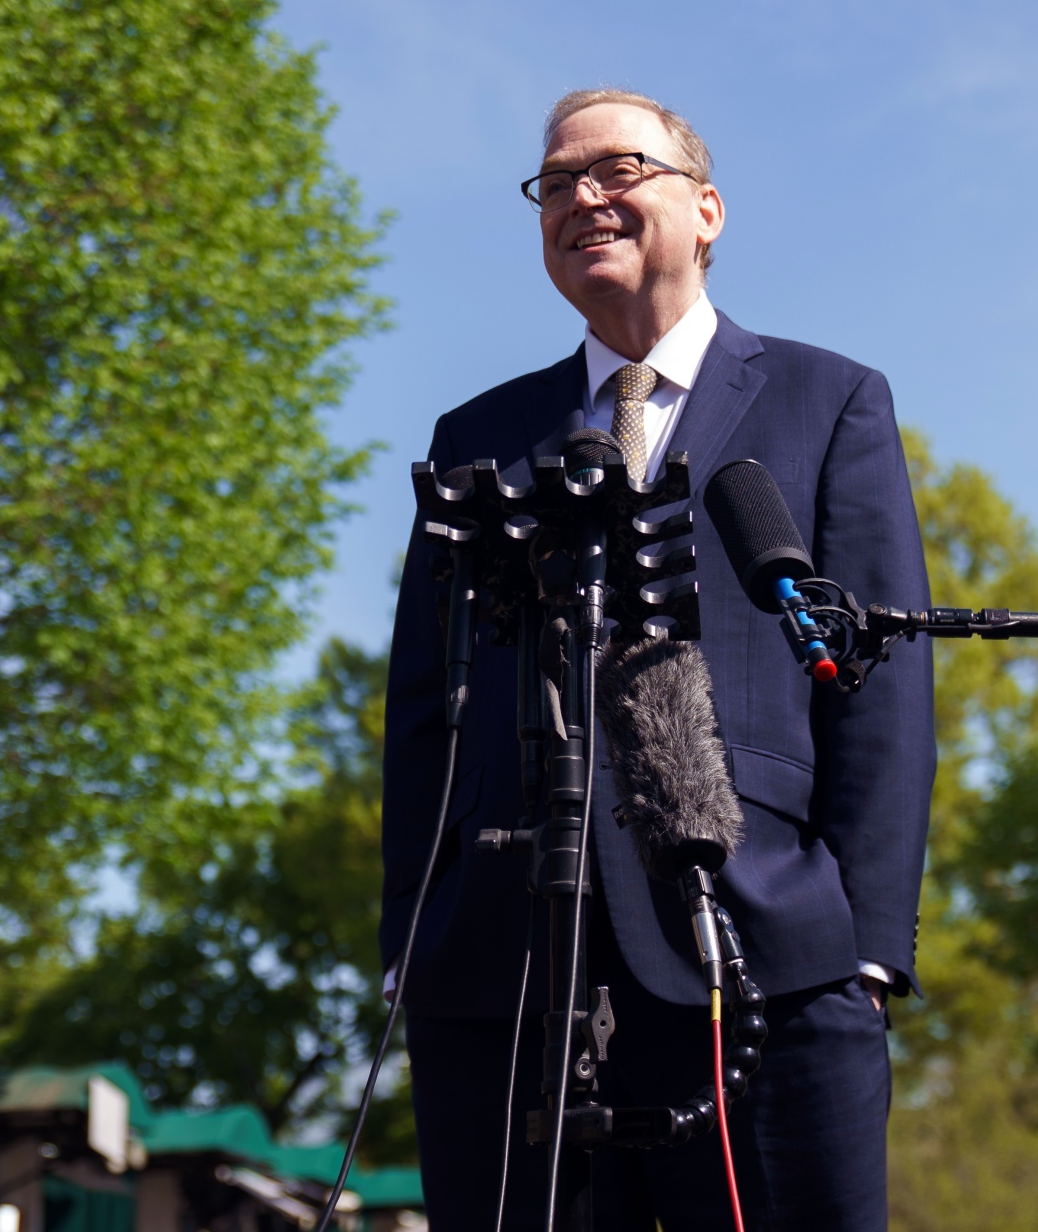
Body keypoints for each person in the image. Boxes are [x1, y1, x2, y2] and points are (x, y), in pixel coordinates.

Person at [380, 88, 935, 1231]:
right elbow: (422, 710)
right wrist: (409, 944)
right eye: (554, 182)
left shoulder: (827, 402)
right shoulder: (476, 436)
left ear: (707, 208)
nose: (581, 195)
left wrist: (869, 951)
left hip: (765, 956)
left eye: (617, 168)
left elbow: (878, 686)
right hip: (503, 973)